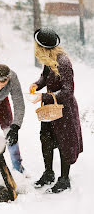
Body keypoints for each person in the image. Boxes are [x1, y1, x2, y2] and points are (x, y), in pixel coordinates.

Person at [29, 27, 83, 193]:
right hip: (50, 110)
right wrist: (37, 84)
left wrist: (44, 97)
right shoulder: (49, 60)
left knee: (64, 143)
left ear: (43, 47)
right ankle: (49, 173)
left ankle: (64, 179)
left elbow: (68, 91)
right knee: (46, 139)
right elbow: (45, 77)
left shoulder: (64, 63)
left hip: (64, 111)